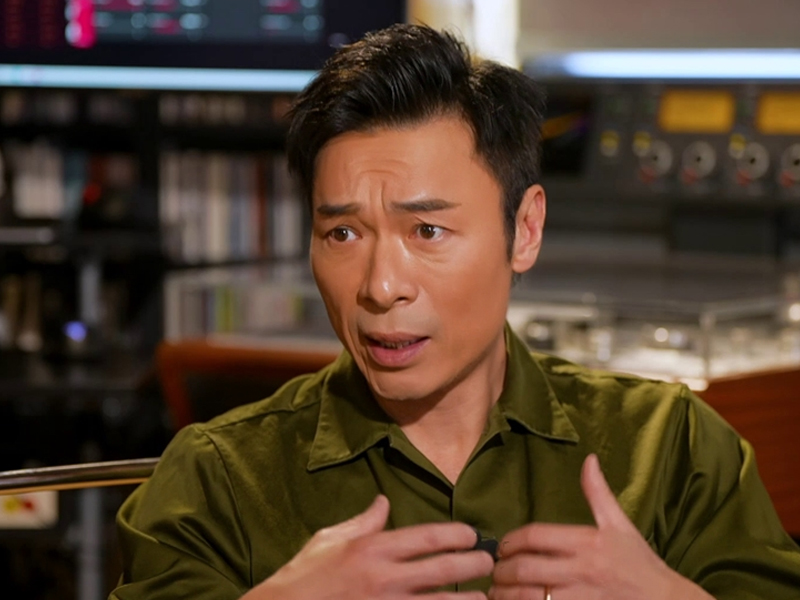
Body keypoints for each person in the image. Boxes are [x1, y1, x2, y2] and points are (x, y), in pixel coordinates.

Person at [111, 24, 800, 600]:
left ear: (524, 230)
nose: (381, 286)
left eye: (427, 231)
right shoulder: (216, 482)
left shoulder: (673, 452)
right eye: (342, 233)